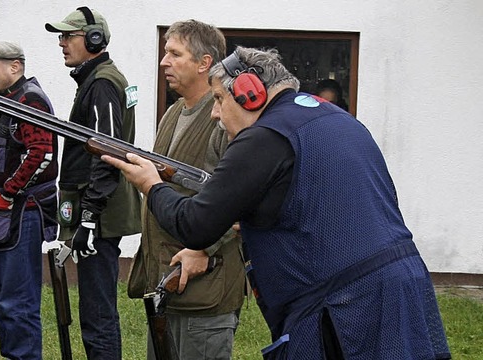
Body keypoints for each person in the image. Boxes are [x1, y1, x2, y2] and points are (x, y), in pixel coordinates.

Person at [103, 46, 451, 360]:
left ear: (248, 94)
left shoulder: (263, 137)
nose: (215, 113)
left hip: (346, 308)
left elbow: (194, 226)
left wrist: (151, 185)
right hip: (402, 288)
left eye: (220, 99)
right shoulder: (338, 120)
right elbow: (311, 203)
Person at [126, 20, 245, 360]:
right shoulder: (174, 111)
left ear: (204, 63)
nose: (164, 62)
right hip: (167, 283)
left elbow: (244, 198)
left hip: (206, 292)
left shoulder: (226, 118)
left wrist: (205, 248)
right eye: (165, 53)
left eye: (175, 54)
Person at [44, 7, 141, 360]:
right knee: (94, 310)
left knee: (97, 314)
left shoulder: (101, 82)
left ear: (94, 39)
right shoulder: (95, 79)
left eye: (68, 36)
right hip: (95, 211)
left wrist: (88, 215)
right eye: (62, 37)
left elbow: (108, 151)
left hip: (98, 215)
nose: (62, 44)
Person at [0, 40, 58, 359]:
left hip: (22, 214)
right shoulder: (8, 99)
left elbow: (42, 153)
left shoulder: (30, 100)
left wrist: (7, 194)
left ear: (15, 67)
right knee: (1, 296)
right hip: (4, 215)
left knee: (18, 302)